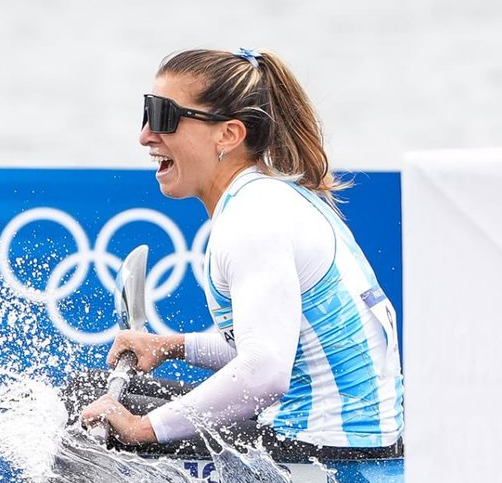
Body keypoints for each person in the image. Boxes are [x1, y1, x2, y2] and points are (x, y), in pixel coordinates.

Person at [76, 48, 404, 459]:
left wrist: (142, 430)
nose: (145, 135)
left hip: (326, 452)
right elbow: (275, 346)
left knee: (82, 407)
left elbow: (265, 373)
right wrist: (170, 346)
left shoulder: (252, 219)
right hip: (351, 441)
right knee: (90, 388)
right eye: (147, 113)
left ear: (228, 135)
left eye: (163, 117)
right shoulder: (272, 196)